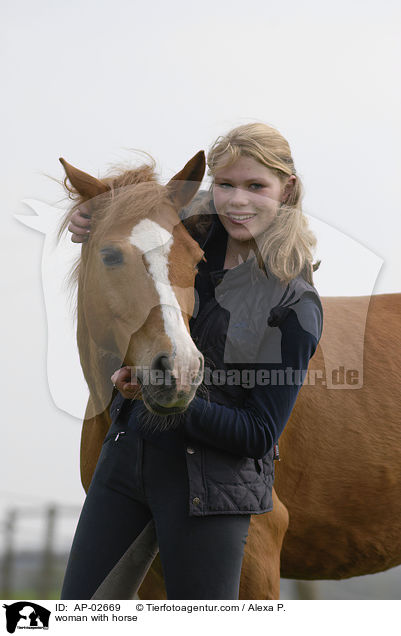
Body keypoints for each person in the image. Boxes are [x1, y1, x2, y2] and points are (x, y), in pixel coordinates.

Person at [61, 122, 323, 600]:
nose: (237, 201)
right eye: (225, 185)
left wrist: (168, 398)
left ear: (286, 190)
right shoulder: (190, 238)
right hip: (127, 465)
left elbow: (259, 434)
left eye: (255, 186)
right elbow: (138, 230)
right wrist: (91, 212)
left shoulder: (293, 302)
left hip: (211, 485)